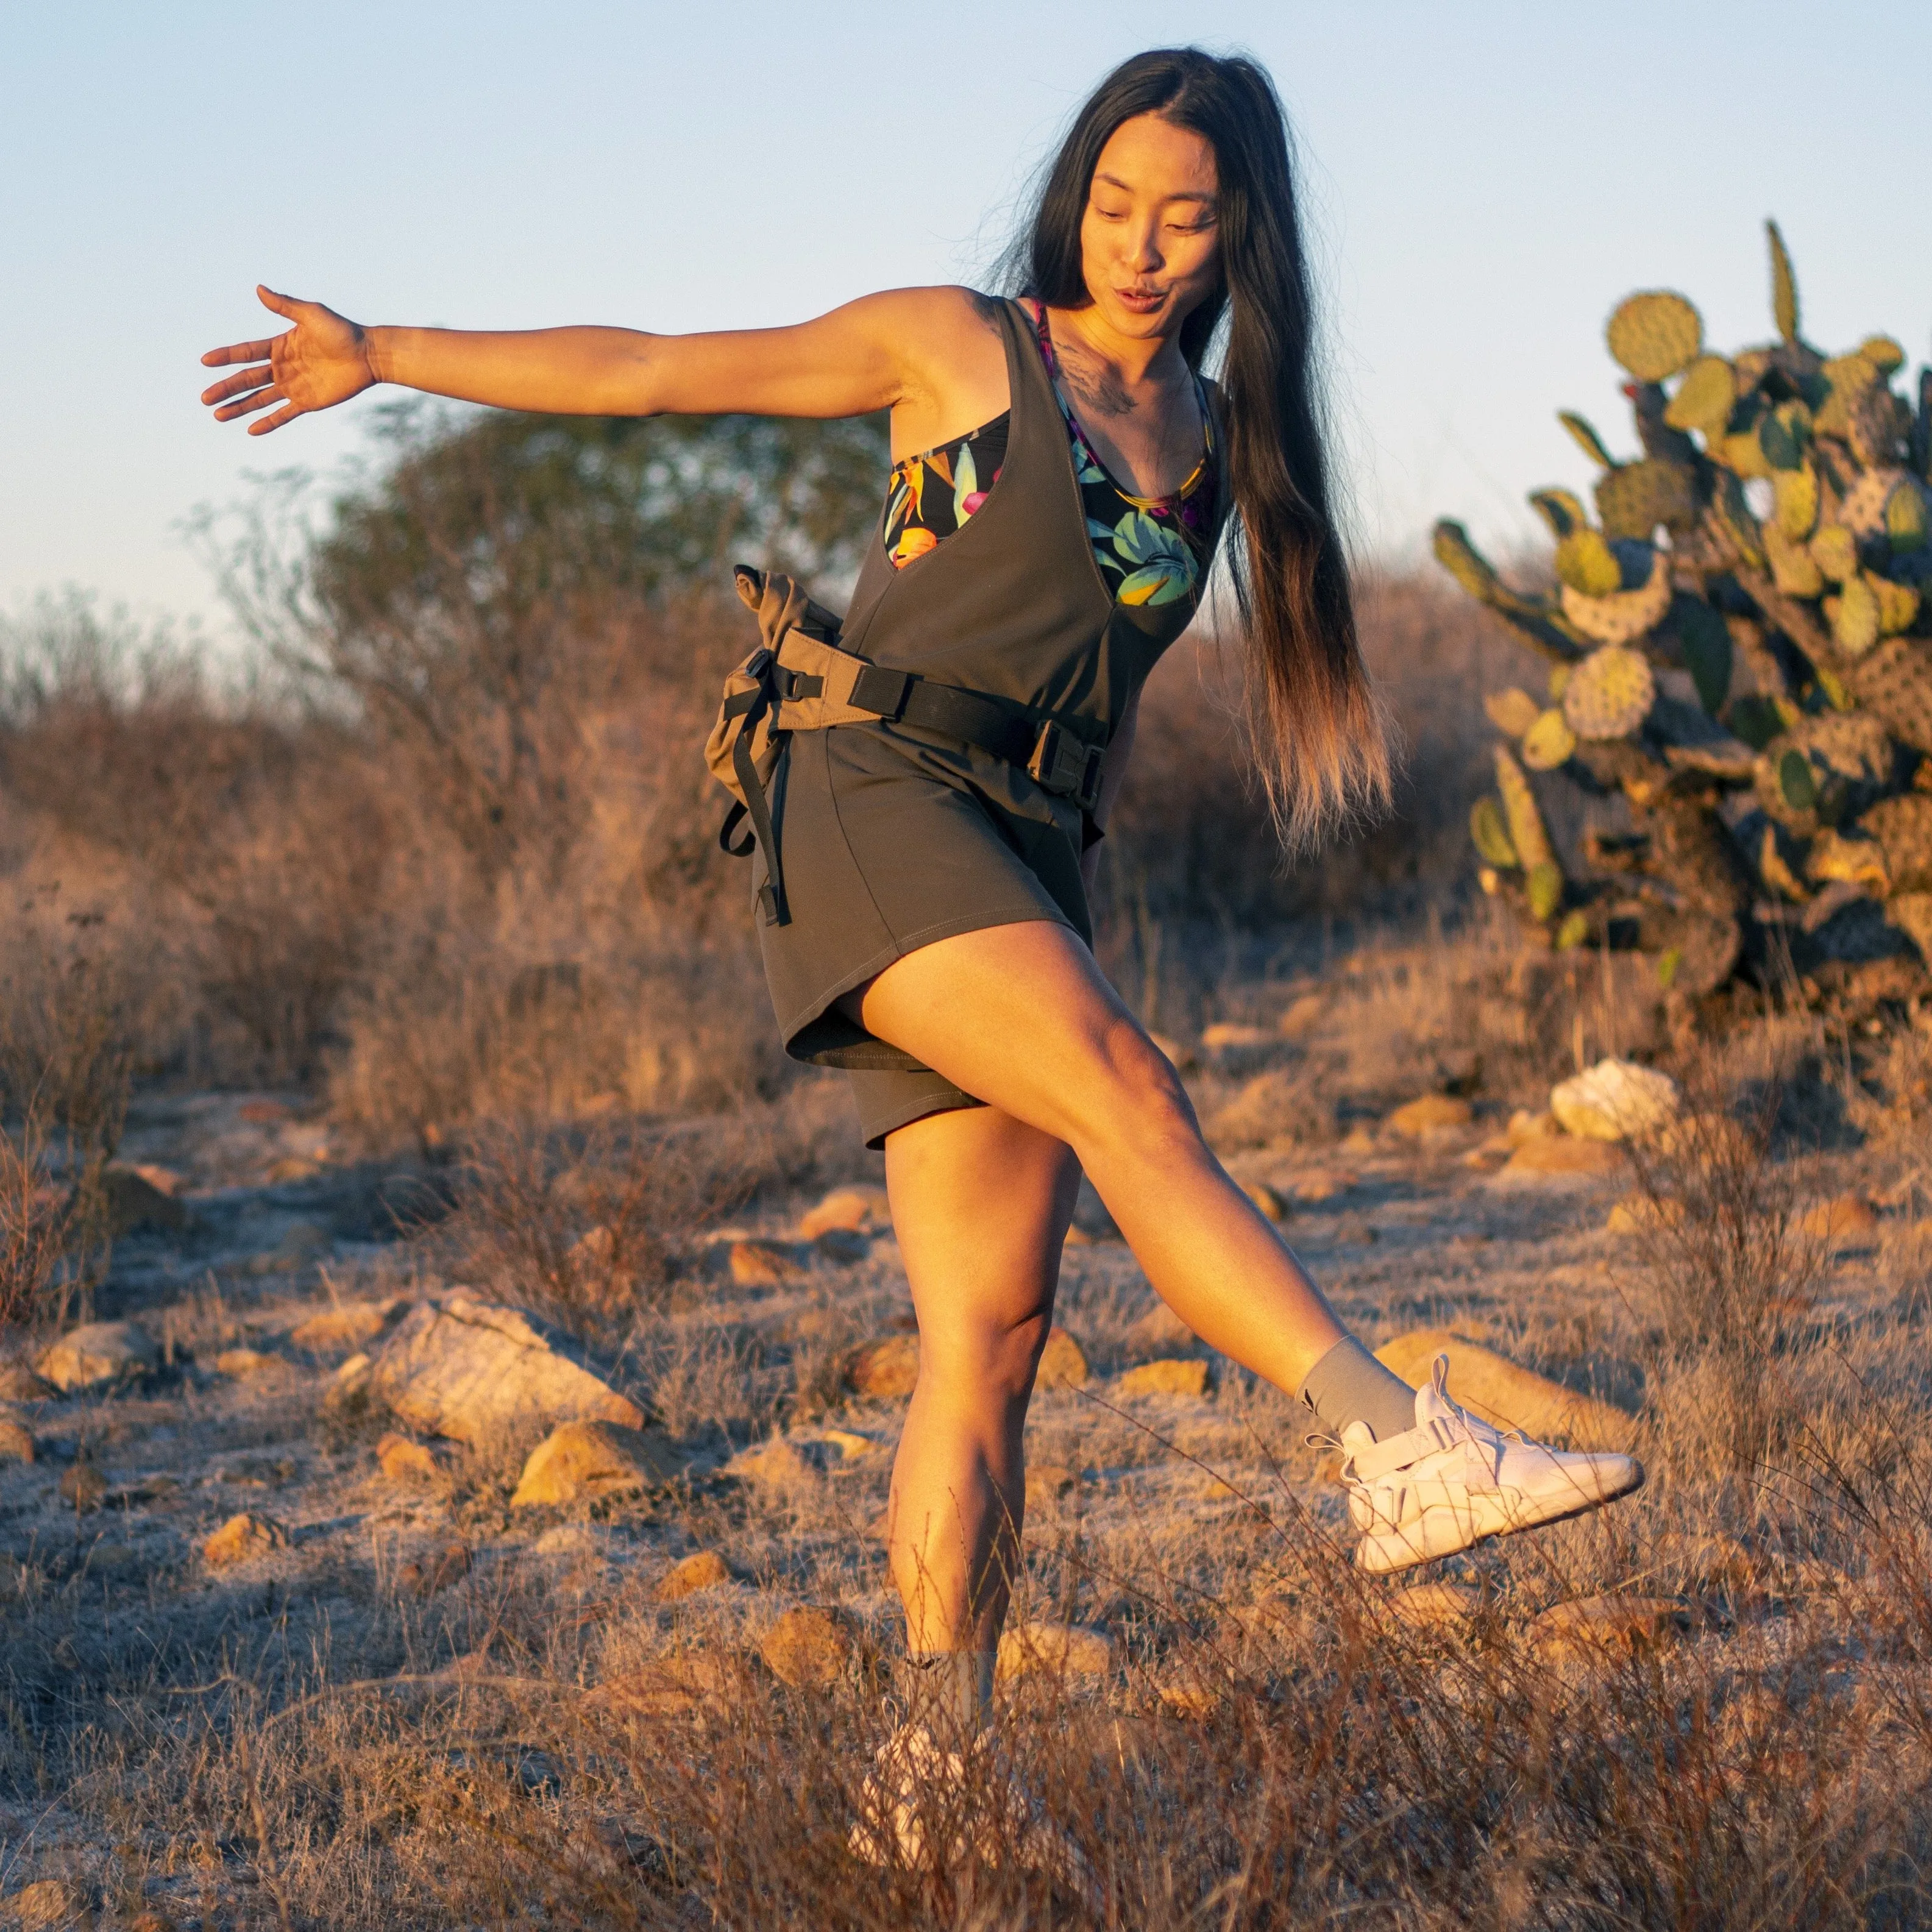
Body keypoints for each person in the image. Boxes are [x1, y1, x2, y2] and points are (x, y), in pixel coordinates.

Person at [201, 40, 1639, 1851]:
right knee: (1134, 1087)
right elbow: (651, 375)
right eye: (1116, 202)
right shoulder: (959, 349)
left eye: (1186, 216)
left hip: (1027, 847)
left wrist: (1073, 893)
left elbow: (1098, 707)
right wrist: (384, 351)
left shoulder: (1210, 447)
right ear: (1078, 196)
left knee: (995, 1331)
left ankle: (928, 1780)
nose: (1140, 242)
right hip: (874, 791)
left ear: (1241, 236)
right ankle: (1391, 1445)